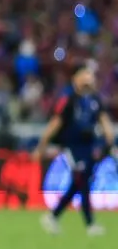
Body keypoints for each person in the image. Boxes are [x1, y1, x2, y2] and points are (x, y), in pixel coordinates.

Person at [35, 63, 114, 236]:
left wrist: (110, 141)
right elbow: (56, 123)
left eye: (89, 74)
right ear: (75, 79)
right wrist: (43, 144)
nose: (88, 78)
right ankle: (90, 224)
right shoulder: (68, 100)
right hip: (73, 147)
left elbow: (103, 120)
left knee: (79, 182)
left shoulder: (94, 100)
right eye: (84, 74)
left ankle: (53, 217)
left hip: (90, 147)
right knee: (82, 181)